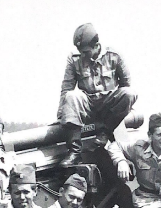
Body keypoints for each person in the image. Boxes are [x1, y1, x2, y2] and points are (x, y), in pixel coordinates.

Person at [58, 23, 138, 167]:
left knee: (129, 94)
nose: (83, 55)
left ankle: (104, 134)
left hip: (109, 105)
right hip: (88, 104)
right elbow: (66, 88)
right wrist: (62, 115)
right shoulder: (74, 59)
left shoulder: (114, 55)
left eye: (86, 52)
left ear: (96, 46)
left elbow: (126, 83)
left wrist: (122, 109)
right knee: (71, 96)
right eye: (80, 51)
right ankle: (74, 151)